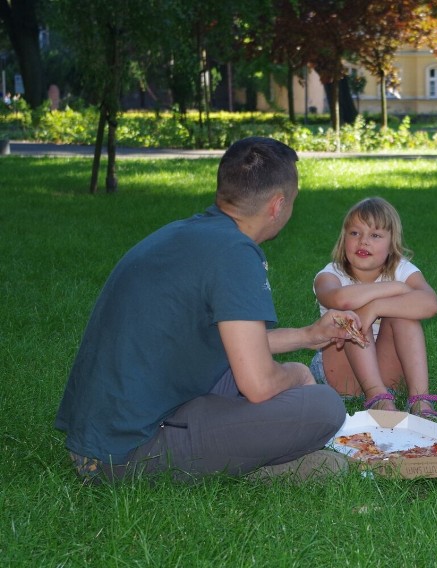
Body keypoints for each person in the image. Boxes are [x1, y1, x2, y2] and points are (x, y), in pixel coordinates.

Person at [55, 137, 360, 483]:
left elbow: (232, 341)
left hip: (105, 431)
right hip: (123, 452)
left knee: (252, 383)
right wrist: (297, 374)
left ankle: (246, 450)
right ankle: (257, 466)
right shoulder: (236, 254)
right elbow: (259, 384)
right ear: (277, 205)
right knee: (324, 407)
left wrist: (309, 335)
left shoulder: (188, 234)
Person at [311, 197, 437, 418]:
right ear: (343, 240)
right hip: (341, 373)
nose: (363, 242)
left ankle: (420, 399)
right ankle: (377, 398)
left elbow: (431, 304)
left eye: (375, 235)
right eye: (355, 233)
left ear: (392, 245)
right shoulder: (330, 274)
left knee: (404, 315)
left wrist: (377, 307)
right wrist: (396, 288)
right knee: (350, 317)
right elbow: (341, 300)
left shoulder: (402, 269)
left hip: (385, 368)